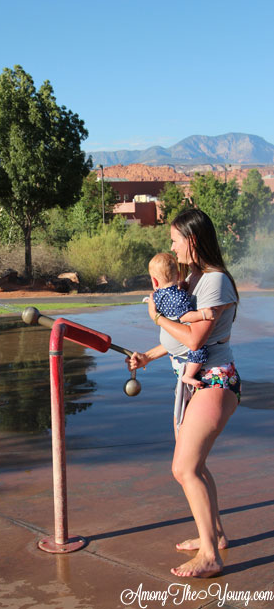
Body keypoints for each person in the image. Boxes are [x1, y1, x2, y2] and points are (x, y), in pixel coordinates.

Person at [128, 209, 241, 578]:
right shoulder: (191, 278)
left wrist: (157, 318)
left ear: (192, 239)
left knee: (184, 467)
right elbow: (180, 341)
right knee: (196, 465)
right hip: (192, 382)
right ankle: (216, 535)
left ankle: (210, 555)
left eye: (175, 239)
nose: (171, 246)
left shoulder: (215, 281)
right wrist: (150, 354)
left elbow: (194, 338)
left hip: (214, 381)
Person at [148, 252, 215, 388]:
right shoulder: (178, 296)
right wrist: (203, 314)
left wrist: (183, 289)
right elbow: (185, 316)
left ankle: (180, 366)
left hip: (169, 347)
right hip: (180, 346)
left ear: (154, 281)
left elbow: (171, 308)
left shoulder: (157, 296)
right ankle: (189, 375)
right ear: (178, 275)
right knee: (200, 350)